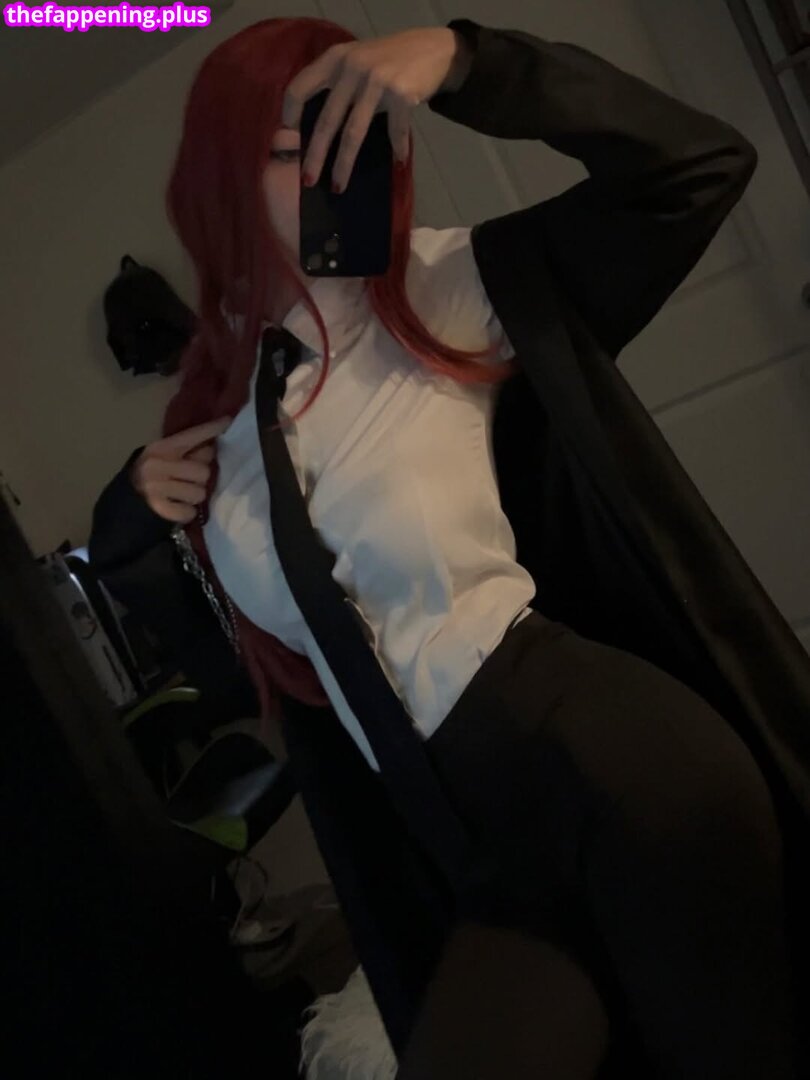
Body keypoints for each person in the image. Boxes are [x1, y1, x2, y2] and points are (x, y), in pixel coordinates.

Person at [100, 14, 810, 1079]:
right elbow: (238, 665)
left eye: (352, 138)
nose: (334, 169)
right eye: (295, 148)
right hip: (474, 848)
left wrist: (472, 61)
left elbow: (699, 166)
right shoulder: (222, 422)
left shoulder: (454, 288)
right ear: (221, 179)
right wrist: (131, 523)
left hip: (618, 768)